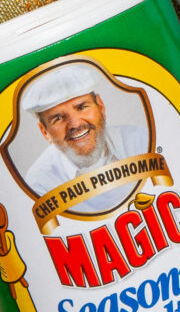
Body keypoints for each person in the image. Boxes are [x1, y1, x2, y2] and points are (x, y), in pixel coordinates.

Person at [12, 60, 133, 205]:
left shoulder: (138, 141)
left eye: (82, 107)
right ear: (44, 132)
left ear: (100, 106)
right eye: (58, 118)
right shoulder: (40, 184)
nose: (75, 124)